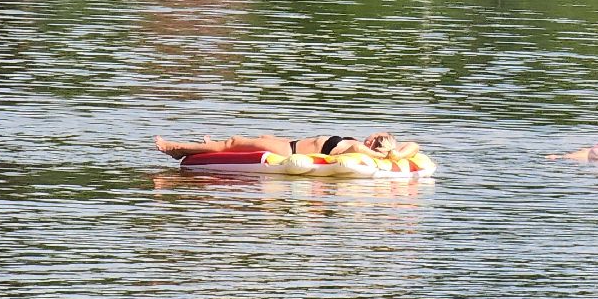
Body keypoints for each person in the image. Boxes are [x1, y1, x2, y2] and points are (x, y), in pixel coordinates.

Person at [156, 130, 419, 161]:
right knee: (260, 134)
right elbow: (413, 147)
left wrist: (388, 151)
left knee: (232, 143)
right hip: (291, 143)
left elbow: (411, 146)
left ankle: (175, 147)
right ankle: (207, 146)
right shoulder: (362, 147)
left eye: (377, 139)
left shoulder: (362, 151)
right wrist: (393, 150)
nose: (370, 139)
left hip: (290, 151)